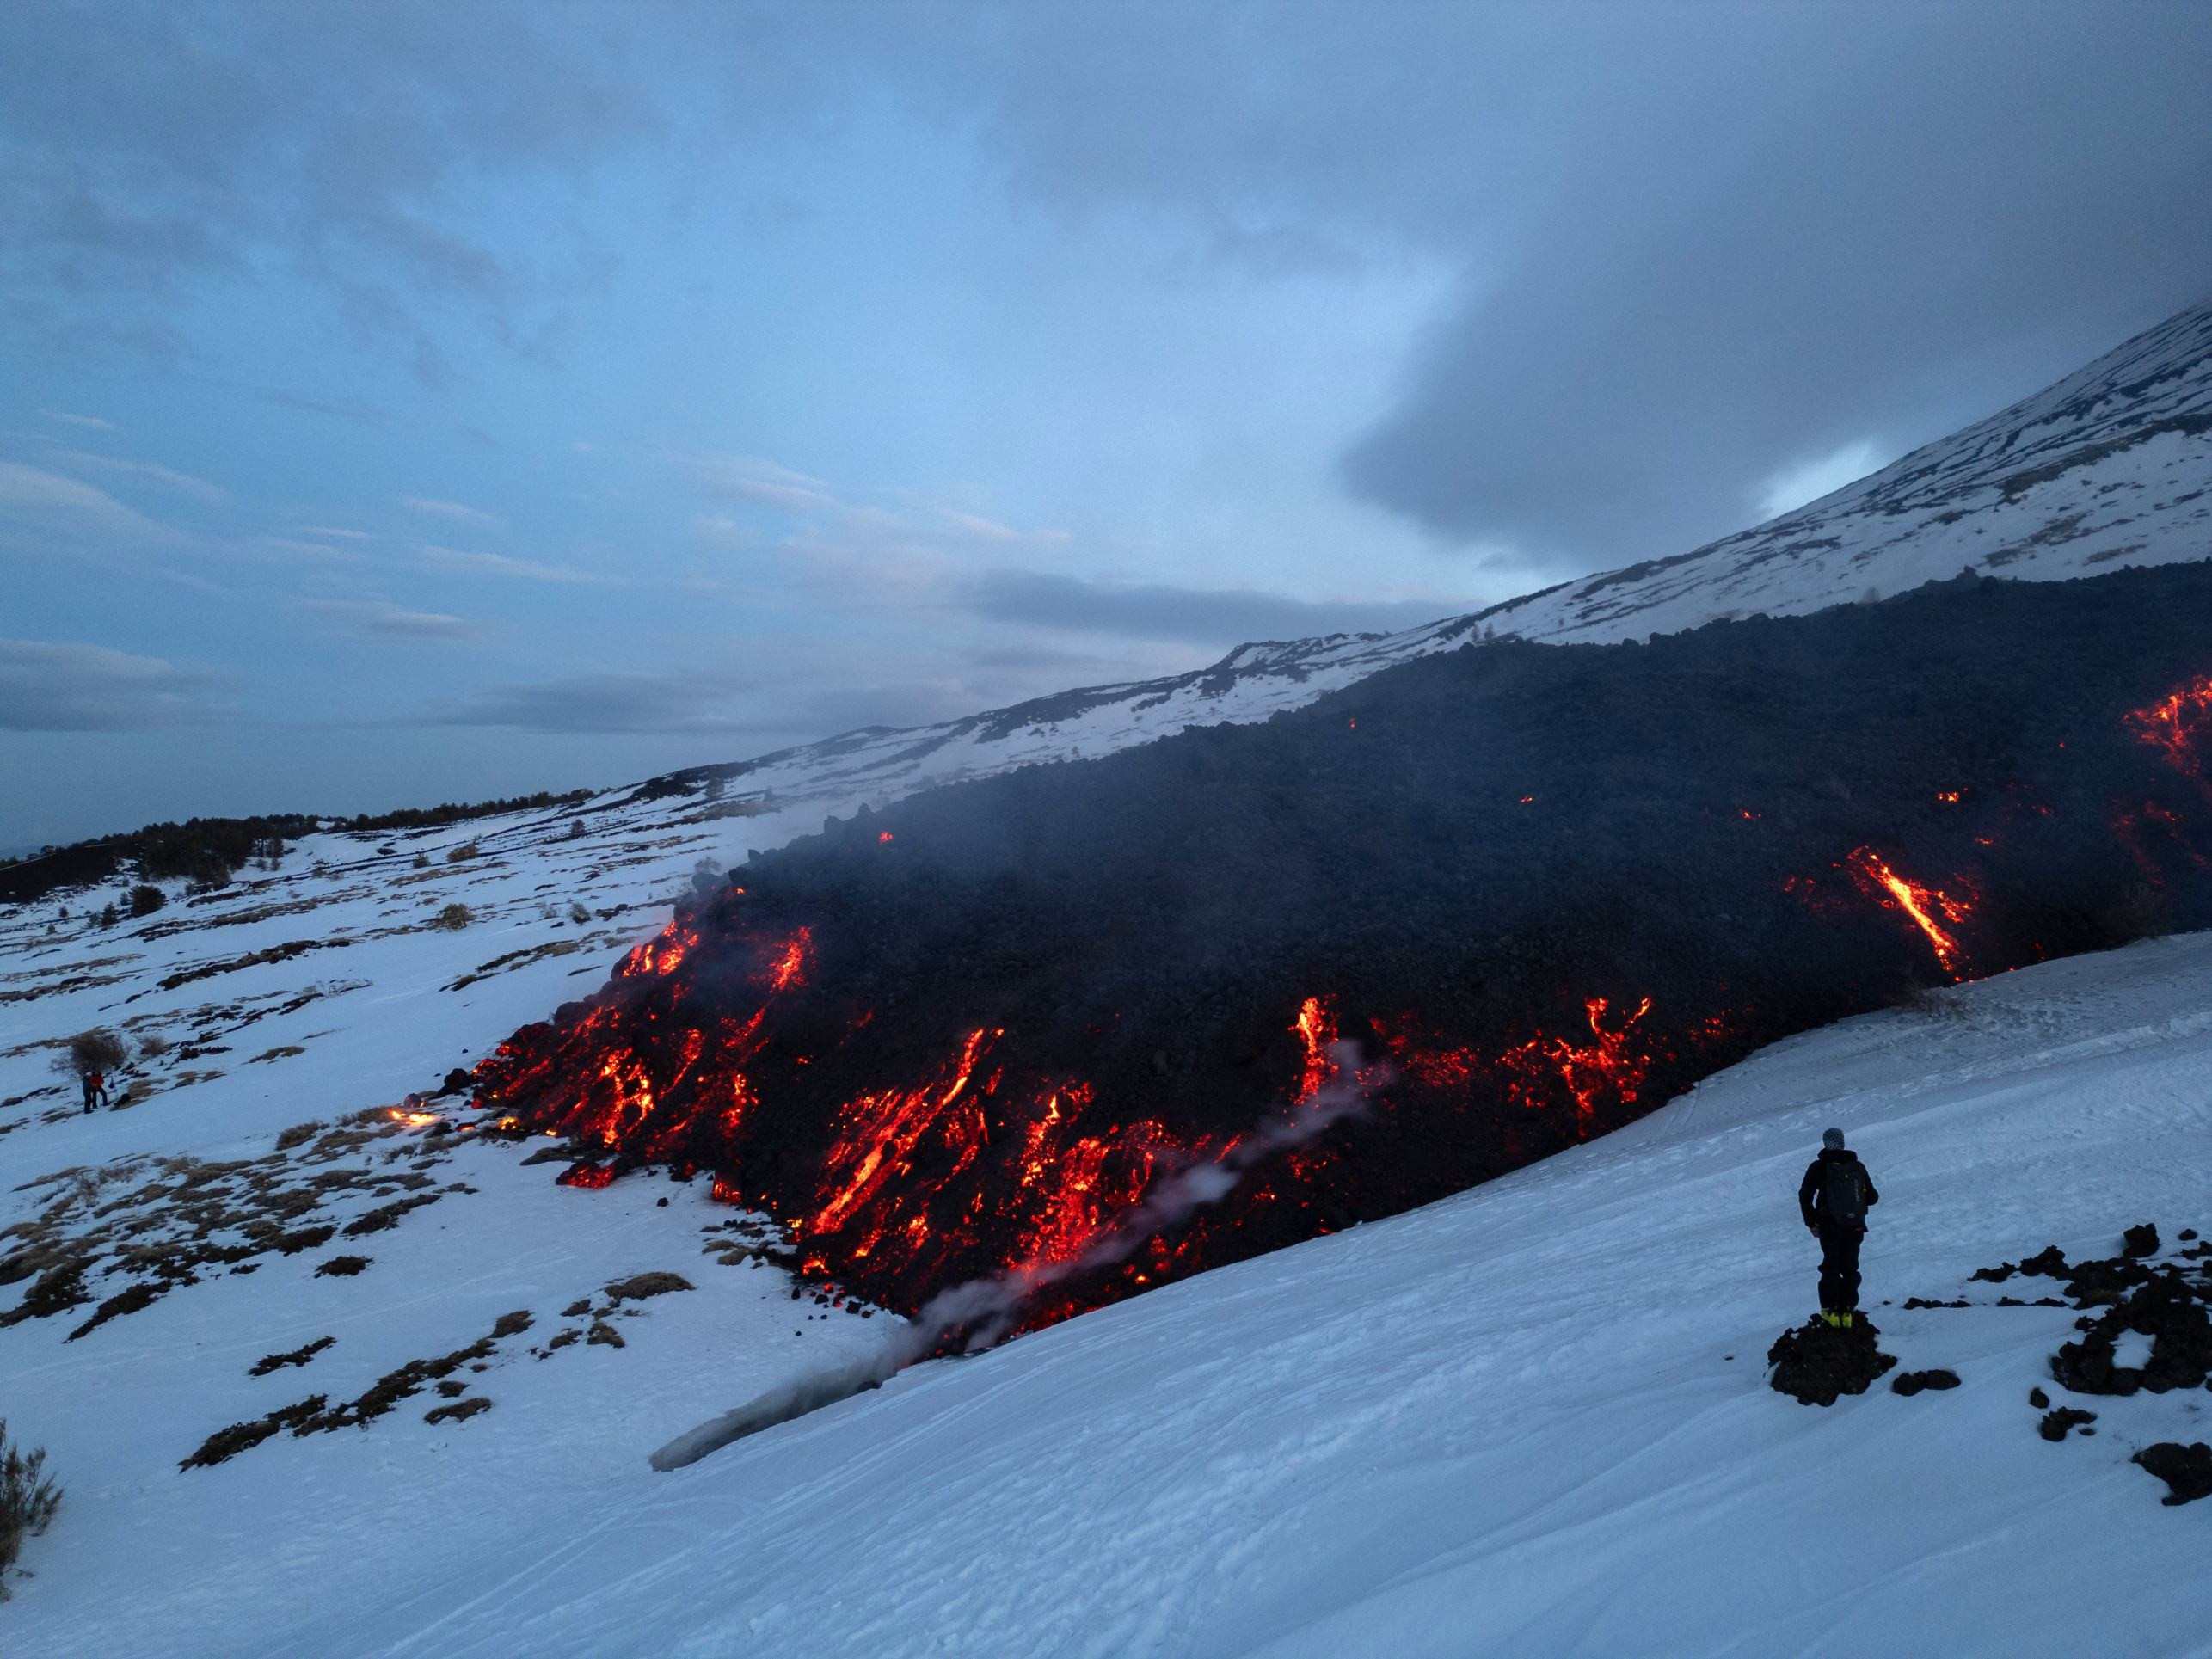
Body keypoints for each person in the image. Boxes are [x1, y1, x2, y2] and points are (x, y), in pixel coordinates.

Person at [1798, 1127, 1878, 1325]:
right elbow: (1873, 1197)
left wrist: (1811, 1222)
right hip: (1855, 1225)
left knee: (1831, 1266)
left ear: (1825, 1143)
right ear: (1843, 1142)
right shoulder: (1856, 1166)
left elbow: (1805, 1195)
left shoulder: (1818, 1167)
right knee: (1850, 1266)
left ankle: (1830, 1311)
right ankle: (1848, 1310)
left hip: (1829, 1225)